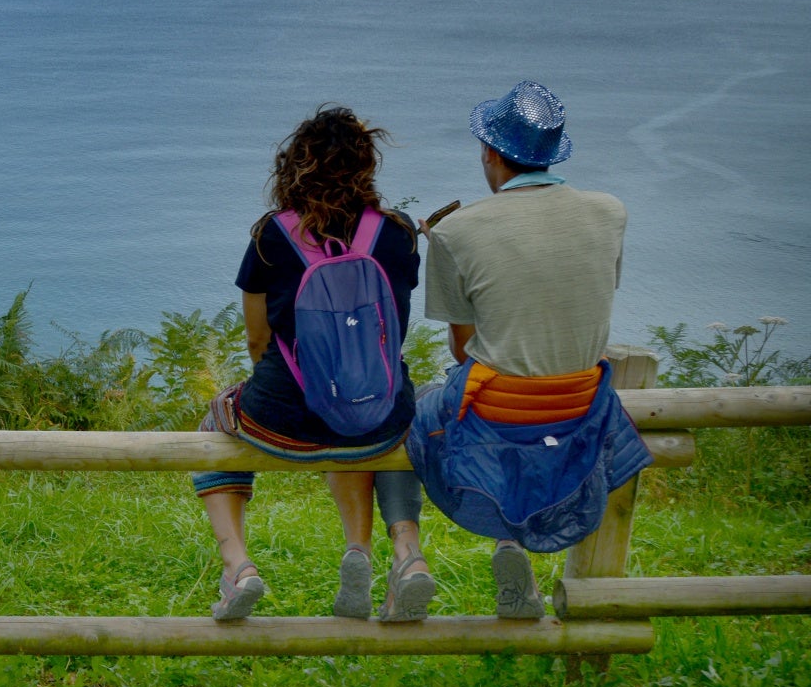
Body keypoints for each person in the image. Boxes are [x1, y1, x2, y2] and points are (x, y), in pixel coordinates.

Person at [412, 80, 652, 617]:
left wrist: (444, 248)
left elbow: (464, 350)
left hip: (501, 408)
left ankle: (428, 551)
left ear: (492, 153)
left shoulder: (457, 231)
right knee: (522, 411)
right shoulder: (610, 211)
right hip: (582, 405)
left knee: (432, 409)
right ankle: (511, 547)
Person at [194, 106, 434, 623]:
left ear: (293, 165)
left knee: (215, 421)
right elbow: (398, 324)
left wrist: (294, 381)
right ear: (366, 166)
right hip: (376, 416)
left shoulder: (271, 235)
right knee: (384, 422)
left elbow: (258, 337)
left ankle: (237, 567)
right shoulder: (398, 233)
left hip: (283, 414)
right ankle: (390, 554)